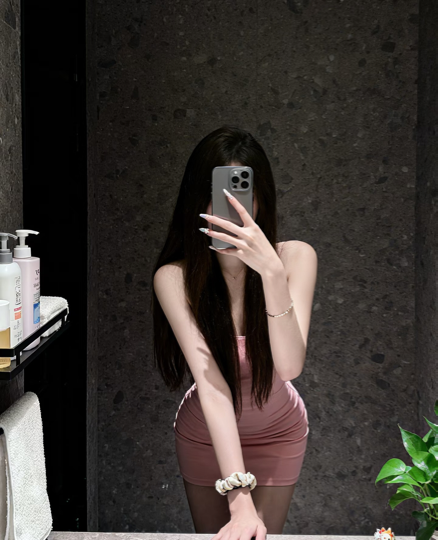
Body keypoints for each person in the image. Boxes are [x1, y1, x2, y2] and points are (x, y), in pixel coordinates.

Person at [151, 125, 318, 539]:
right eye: (217, 192)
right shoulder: (174, 278)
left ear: (261, 199)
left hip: (280, 433)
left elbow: (289, 367)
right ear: (197, 198)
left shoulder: (295, 257)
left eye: (241, 192)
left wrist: (272, 274)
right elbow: (212, 387)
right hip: (206, 437)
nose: (229, 206)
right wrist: (238, 497)